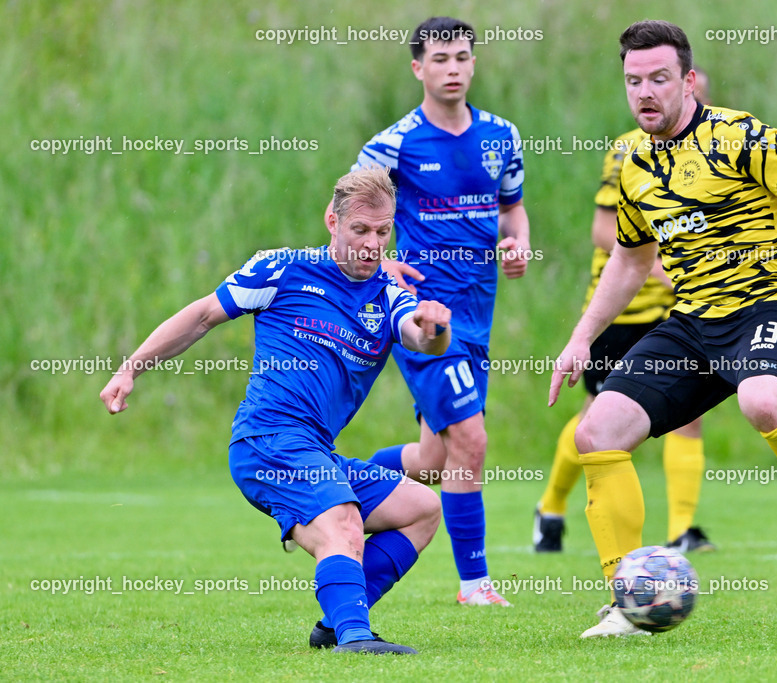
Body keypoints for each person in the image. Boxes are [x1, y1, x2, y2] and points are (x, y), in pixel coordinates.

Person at [549, 20, 777, 638]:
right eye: (634, 81)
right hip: (695, 320)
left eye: (659, 78)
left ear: (688, 81)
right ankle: (627, 601)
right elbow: (631, 260)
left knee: (764, 401)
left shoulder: (741, 137)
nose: (646, 92)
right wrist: (580, 338)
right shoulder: (634, 164)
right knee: (597, 430)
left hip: (774, 303)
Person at [101, 167, 451, 655]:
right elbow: (202, 316)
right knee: (344, 522)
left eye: (382, 231)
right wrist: (130, 369)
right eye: (360, 230)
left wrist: (435, 329)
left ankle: (336, 622)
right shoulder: (283, 270)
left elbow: (420, 338)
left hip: (316, 450)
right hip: (267, 440)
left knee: (422, 509)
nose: (373, 244)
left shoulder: (388, 295)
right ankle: (355, 639)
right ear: (332, 221)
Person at [338, 16, 530, 608]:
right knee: (471, 439)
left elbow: (512, 208)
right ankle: (475, 585)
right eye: (440, 59)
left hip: (478, 314)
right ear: (418, 68)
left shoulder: (502, 136)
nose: (452, 68)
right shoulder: (393, 144)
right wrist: (384, 262)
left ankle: (348, 483)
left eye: (461, 57)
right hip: (423, 316)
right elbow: (349, 214)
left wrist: (518, 242)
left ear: (474, 64)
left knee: (434, 457)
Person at [534, 67, 715, 555]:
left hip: (677, 312)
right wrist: (660, 269)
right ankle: (551, 506)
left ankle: (681, 531)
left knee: (689, 415)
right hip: (623, 311)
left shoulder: (713, 151)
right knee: (597, 417)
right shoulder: (629, 150)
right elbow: (603, 231)